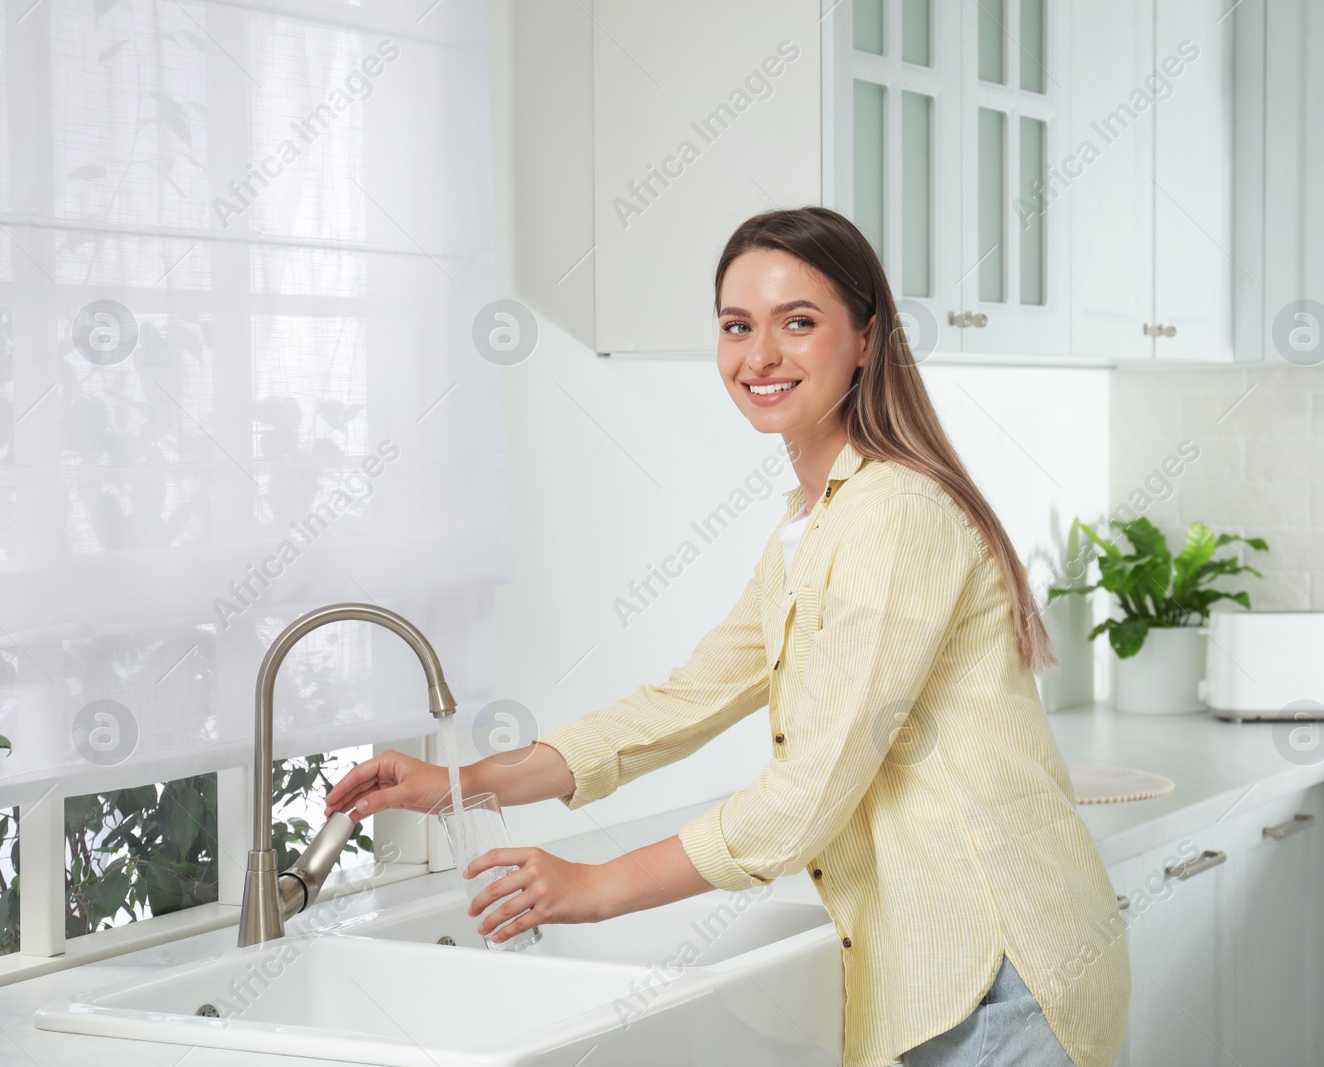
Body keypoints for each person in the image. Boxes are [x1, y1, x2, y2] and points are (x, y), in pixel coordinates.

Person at [325, 207, 1130, 1067]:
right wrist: (463, 781)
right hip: (937, 975)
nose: (760, 356)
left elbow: (808, 792)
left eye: (799, 323)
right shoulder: (815, 523)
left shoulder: (894, 514)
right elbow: (684, 701)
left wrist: (596, 887)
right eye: (737, 326)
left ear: (866, 339)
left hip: (996, 974)